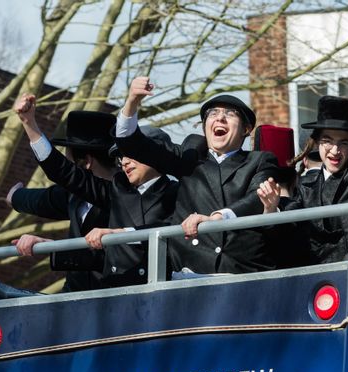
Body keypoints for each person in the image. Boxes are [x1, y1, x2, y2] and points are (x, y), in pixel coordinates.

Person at [116, 77, 278, 275]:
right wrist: (132, 101)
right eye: (213, 113)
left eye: (230, 113)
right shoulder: (190, 156)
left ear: (246, 129)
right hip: (191, 274)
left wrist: (218, 217)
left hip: (242, 272)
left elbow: (257, 198)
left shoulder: (259, 160)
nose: (220, 118)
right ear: (204, 127)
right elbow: (133, 144)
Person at [14, 93, 179, 288]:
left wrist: (119, 233)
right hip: (97, 295)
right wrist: (29, 123)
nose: (125, 161)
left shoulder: (178, 191)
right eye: (121, 155)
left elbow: (171, 236)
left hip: (148, 294)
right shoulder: (118, 190)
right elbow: (63, 173)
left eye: (133, 153)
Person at [259, 41, 348, 264]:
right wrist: (270, 208)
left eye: (343, 142)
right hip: (318, 286)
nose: (334, 150)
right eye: (327, 141)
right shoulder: (306, 187)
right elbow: (283, 234)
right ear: (316, 143)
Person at [8, 108, 115, 291]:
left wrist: (29, 123)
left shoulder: (125, 196)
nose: (65, 159)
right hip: (72, 295)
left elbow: (59, 170)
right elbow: (42, 200)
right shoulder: (74, 196)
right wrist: (16, 197)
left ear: (86, 161)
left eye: (67, 155)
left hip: (113, 300)